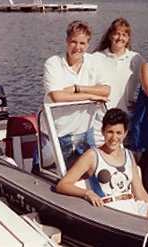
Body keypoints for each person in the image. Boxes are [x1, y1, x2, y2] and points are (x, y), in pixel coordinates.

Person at [56, 108, 148, 229]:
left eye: (119, 133)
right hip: (112, 211)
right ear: (102, 131)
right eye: (110, 132)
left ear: (125, 134)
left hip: (134, 206)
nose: (114, 138)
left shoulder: (128, 155)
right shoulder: (92, 155)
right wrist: (87, 193)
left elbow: (139, 191)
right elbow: (63, 185)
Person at [41, 20, 110, 158]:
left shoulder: (94, 62)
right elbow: (57, 97)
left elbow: (106, 90)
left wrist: (76, 88)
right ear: (67, 40)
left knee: (89, 177)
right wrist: (90, 96)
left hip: (85, 132)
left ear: (88, 44)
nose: (77, 47)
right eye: (73, 42)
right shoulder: (53, 63)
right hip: (55, 133)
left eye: (82, 43)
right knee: (42, 177)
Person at [92, 18, 145, 144]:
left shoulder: (136, 59)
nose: (120, 38)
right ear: (110, 35)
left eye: (124, 35)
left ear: (128, 38)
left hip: (126, 122)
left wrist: (139, 104)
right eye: (117, 34)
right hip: (99, 122)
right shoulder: (95, 58)